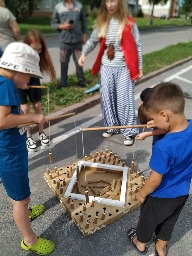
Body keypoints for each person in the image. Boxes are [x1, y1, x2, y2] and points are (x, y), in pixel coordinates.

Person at [0, 42, 55, 255]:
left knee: (20, 196)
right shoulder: (5, 84)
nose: (29, 83)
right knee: (20, 199)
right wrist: (33, 117)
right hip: (9, 154)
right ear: (19, 70)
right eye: (29, 77)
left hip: (11, 148)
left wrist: (22, 119)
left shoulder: (5, 82)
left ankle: (25, 210)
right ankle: (29, 240)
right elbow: (2, 120)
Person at [127, 82, 192, 256]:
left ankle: (140, 242)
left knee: (147, 220)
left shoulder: (163, 147)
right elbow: (170, 129)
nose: (152, 126)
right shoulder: (191, 126)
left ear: (164, 115)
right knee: (169, 222)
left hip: (160, 195)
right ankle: (161, 247)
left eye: (153, 121)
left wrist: (141, 194)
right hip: (182, 193)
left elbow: (155, 179)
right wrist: (151, 132)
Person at [78, 0, 143, 146]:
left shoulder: (130, 23)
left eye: (113, 1)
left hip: (124, 68)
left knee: (124, 100)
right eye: (107, 1)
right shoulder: (103, 23)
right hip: (106, 67)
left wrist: (140, 68)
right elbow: (91, 41)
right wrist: (83, 54)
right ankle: (111, 126)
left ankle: (129, 131)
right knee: (106, 98)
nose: (109, 4)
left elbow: (138, 45)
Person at [18, 30, 56, 152]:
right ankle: (28, 137)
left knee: (37, 105)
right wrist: (20, 82)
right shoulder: (19, 55)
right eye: (33, 49)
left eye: (39, 50)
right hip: (19, 81)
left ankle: (41, 132)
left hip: (32, 78)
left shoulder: (39, 55)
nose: (36, 53)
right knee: (24, 108)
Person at [51, 0, 87, 89]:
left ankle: (81, 81)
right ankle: (63, 83)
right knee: (63, 62)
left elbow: (84, 21)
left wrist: (84, 34)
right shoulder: (58, 7)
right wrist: (62, 26)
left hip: (77, 41)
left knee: (79, 62)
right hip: (64, 41)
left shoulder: (79, 6)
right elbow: (53, 23)